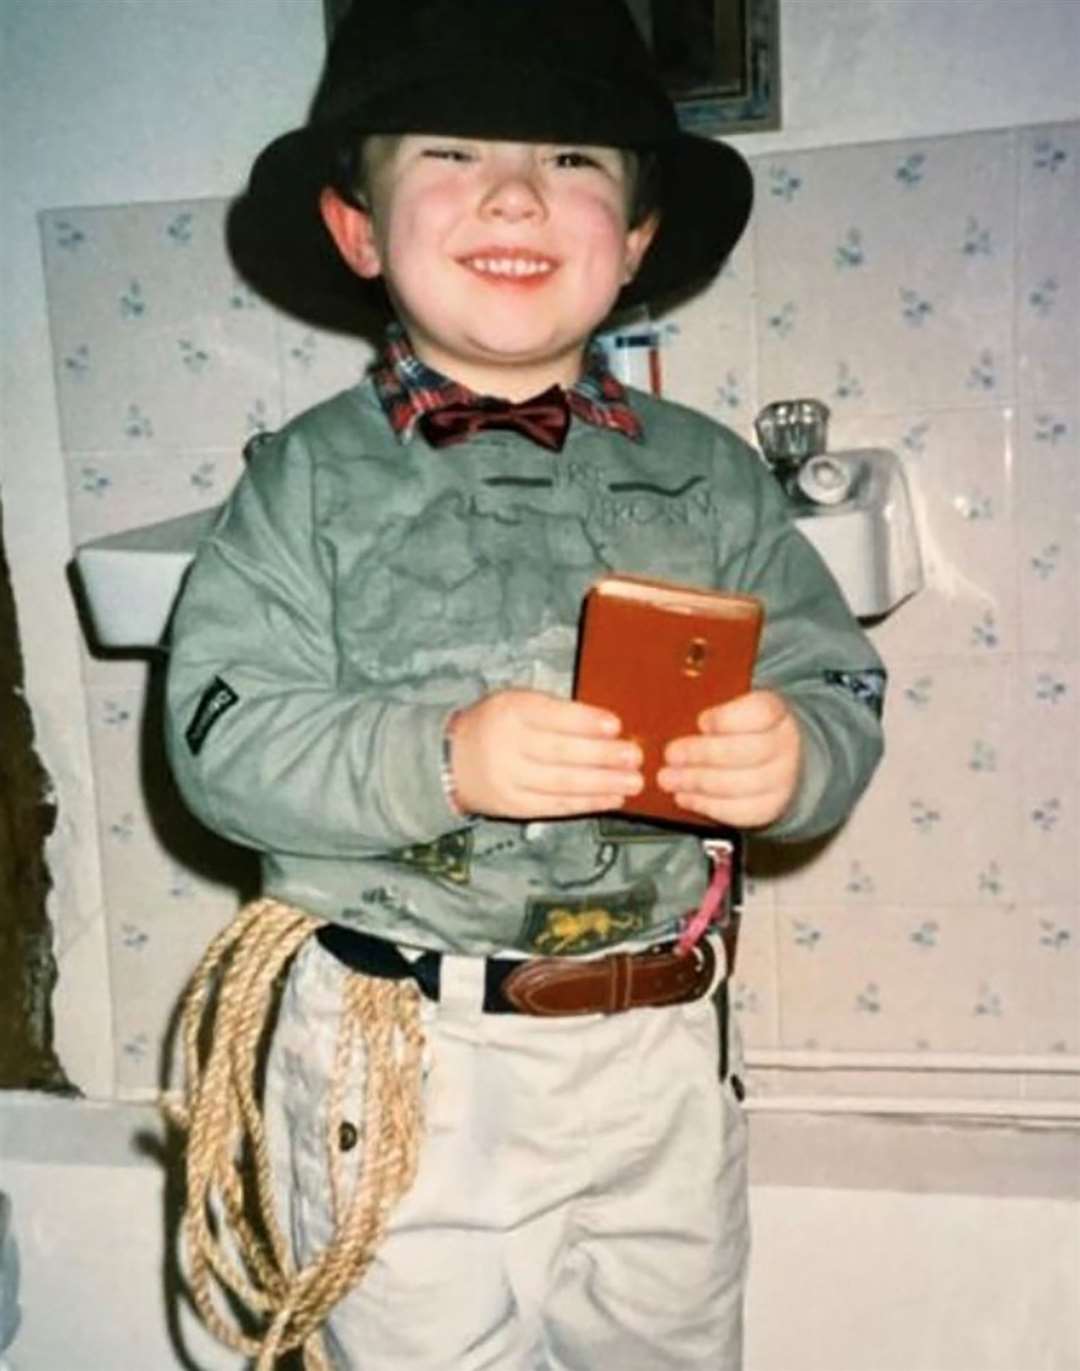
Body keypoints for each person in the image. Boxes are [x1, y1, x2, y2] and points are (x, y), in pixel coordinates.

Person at [164, 2, 886, 1368]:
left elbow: (836, 667)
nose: (512, 190)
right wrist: (437, 757)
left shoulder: (718, 474)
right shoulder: (304, 480)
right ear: (357, 228)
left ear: (639, 237)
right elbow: (222, 737)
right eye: (448, 149)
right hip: (399, 1046)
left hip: (659, 1041)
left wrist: (802, 753)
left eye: (573, 160)